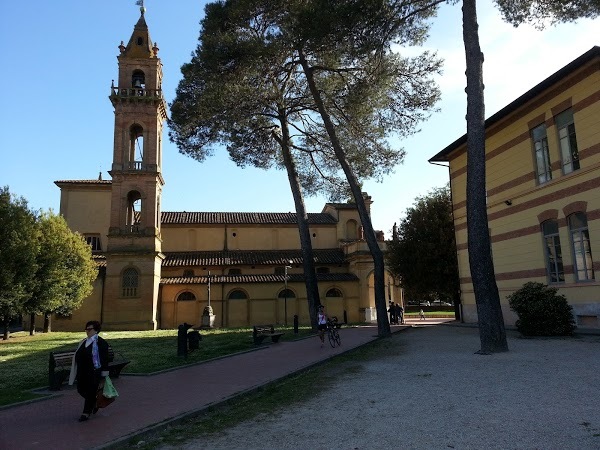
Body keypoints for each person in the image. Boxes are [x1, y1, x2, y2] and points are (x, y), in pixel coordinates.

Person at [69, 320, 110, 422]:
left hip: (94, 372)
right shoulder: (84, 341)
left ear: (96, 330)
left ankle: (85, 413)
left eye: (89, 329)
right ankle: (95, 402)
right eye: (86, 329)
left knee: (90, 392)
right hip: (82, 372)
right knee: (80, 389)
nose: (87, 331)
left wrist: (104, 375)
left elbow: (104, 359)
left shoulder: (101, 343)